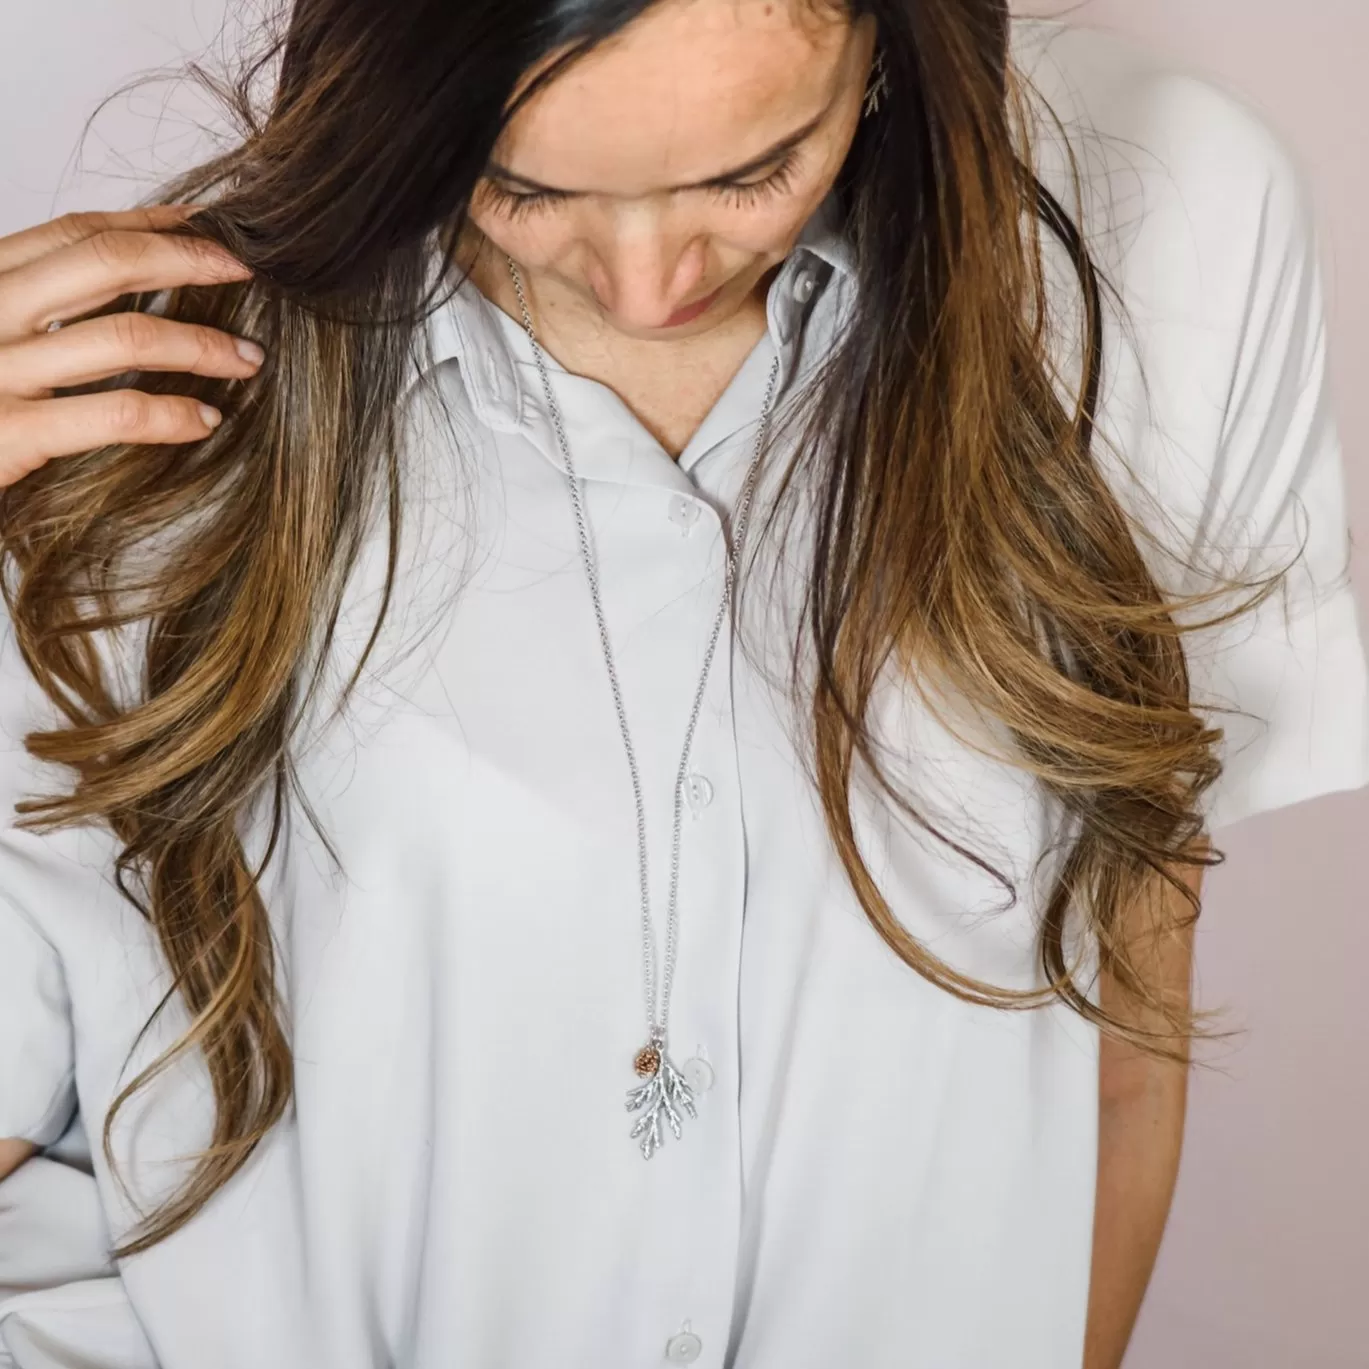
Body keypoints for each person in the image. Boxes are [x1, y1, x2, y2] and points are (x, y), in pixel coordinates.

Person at [0, 2, 1365, 1366]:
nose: (649, 286)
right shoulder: (136, 398)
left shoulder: (1175, 216)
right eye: (520, 186)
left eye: (751, 173)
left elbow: (1121, 1022)